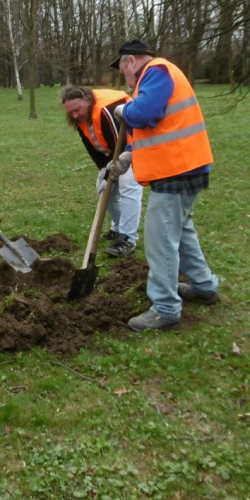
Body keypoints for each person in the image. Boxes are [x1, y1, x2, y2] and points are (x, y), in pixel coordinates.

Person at [108, 39, 220, 331]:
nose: (126, 79)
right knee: (182, 232)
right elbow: (160, 126)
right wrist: (129, 156)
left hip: (176, 171)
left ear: (131, 61)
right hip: (185, 167)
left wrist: (123, 111)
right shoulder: (160, 76)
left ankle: (166, 308)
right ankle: (204, 285)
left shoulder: (156, 71)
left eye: (123, 70)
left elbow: (145, 114)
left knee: (160, 241)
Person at [60, 85, 142, 257]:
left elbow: (117, 143)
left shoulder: (106, 109)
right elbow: (91, 147)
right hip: (114, 154)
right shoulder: (81, 116)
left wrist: (108, 175)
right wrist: (103, 172)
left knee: (128, 185)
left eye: (77, 109)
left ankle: (128, 239)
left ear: (88, 100)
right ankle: (118, 228)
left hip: (136, 148)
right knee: (104, 189)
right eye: (71, 112)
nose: (75, 115)